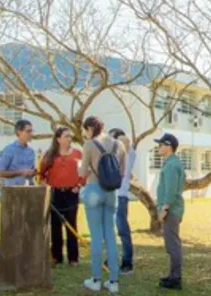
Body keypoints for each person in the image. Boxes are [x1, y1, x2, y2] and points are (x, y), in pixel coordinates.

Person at [79, 116, 125, 293]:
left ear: (90, 128)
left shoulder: (89, 144)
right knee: (111, 236)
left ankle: (96, 279)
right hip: (111, 192)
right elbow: (121, 171)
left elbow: (83, 172)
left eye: (86, 130)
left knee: (96, 236)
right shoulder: (118, 144)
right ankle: (114, 282)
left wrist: (86, 168)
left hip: (93, 189)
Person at [40, 127, 83, 267]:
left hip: (71, 193)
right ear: (58, 139)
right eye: (66, 136)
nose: (69, 138)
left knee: (71, 225)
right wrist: (45, 184)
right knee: (55, 225)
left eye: (70, 136)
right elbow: (42, 173)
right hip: (55, 193)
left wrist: (79, 185)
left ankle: (73, 258)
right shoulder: (50, 155)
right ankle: (56, 257)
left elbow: (84, 172)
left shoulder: (78, 153)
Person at [154, 132, 185, 291]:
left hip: (171, 210)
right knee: (171, 244)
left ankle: (176, 279)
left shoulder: (172, 165)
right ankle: (173, 276)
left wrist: (164, 209)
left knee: (173, 245)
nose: (158, 147)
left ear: (168, 147)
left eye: (161, 144)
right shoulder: (171, 163)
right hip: (172, 209)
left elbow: (171, 191)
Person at [109, 128, 136, 275]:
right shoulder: (112, 155)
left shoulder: (128, 153)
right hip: (110, 196)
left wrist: (117, 138)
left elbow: (126, 141)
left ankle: (127, 263)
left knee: (123, 231)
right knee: (110, 231)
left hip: (121, 197)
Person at [0, 120, 36, 187]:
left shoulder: (31, 151)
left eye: (31, 131)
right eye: (28, 131)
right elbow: (1, 173)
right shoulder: (9, 150)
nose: (31, 134)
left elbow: (31, 172)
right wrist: (21, 172)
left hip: (29, 192)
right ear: (19, 132)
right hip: (12, 193)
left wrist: (35, 172)